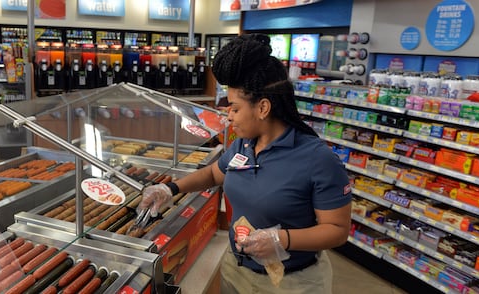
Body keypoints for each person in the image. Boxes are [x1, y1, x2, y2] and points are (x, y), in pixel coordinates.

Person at [138, 33, 351, 293]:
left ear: (263, 108)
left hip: (293, 283)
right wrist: (169, 189)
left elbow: (338, 230)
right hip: (237, 270)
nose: (229, 117)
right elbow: (214, 174)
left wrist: (281, 239)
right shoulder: (244, 144)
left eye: (235, 109)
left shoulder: (318, 159)